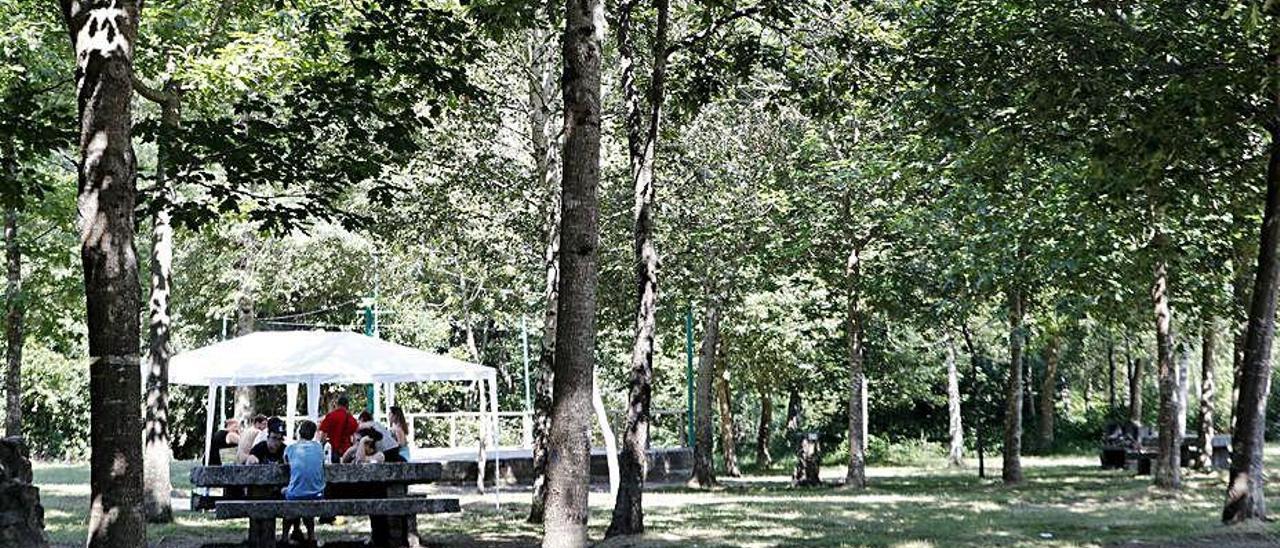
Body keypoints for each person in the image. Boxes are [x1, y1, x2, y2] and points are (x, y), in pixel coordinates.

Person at [281, 419, 324, 546]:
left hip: (295, 494)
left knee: (287, 493)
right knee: (306, 496)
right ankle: (311, 536)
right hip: (317, 493)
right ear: (313, 433)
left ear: (299, 432)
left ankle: (285, 537)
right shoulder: (319, 447)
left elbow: (286, 463)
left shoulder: (291, 448)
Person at [317, 396, 358, 464]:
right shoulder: (351, 418)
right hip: (346, 451)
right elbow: (354, 436)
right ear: (347, 405)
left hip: (332, 450)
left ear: (337, 404)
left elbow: (323, 434)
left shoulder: (330, 416)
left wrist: (322, 445)